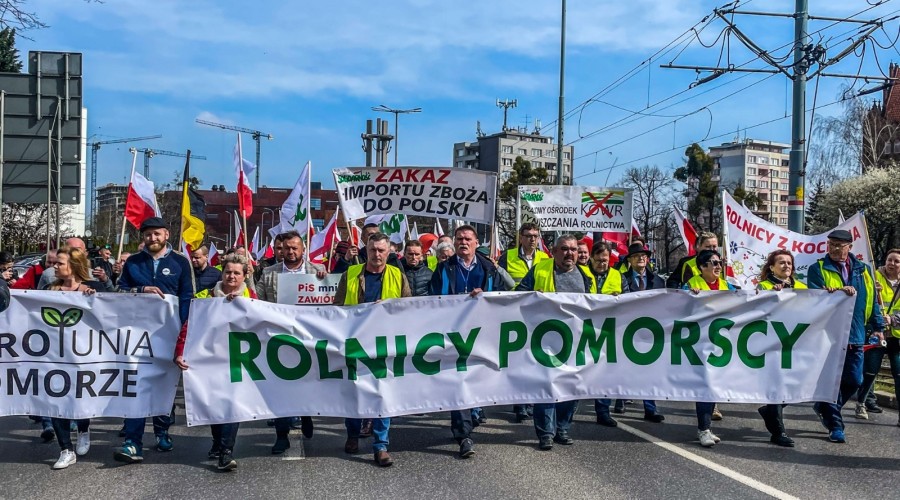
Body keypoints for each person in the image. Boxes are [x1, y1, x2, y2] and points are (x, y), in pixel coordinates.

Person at [113, 217, 194, 464]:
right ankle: (132, 442)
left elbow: (187, 296)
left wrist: (185, 332)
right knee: (135, 386)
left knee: (163, 385)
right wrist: (140, 290)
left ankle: (162, 431)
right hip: (135, 337)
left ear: (166, 235)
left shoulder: (180, 262)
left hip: (168, 335)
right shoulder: (134, 263)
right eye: (148, 235)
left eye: (157, 234)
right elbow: (118, 292)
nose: (152, 238)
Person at [174, 253, 257, 471]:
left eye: (236, 273)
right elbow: (188, 326)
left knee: (233, 405)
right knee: (215, 405)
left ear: (244, 276)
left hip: (238, 360)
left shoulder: (253, 299)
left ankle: (226, 451)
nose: (231, 276)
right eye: (228, 272)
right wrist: (180, 352)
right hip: (209, 360)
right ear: (222, 273)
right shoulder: (205, 296)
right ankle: (217, 442)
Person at [429, 224, 506, 458]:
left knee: (478, 378)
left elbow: (502, 297)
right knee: (458, 380)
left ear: (476, 243)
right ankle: (464, 434)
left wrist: (485, 296)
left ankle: (473, 411)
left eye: (468, 239)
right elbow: (431, 299)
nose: (463, 242)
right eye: (459, 238)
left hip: (481, 333)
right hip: (452, 335)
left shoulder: (488, 269)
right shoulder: (444, 269)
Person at [334, 233, 412, 467]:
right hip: (355, 342)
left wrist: (388, 307)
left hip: (384, 345)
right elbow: (336, 308)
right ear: (365, 251)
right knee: (353, 392)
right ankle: (352, 433)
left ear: (389, 252)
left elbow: (409, 307)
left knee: (382, 394)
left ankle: (381, 445)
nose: (377, 254)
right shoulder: (351, 274)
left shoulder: (398, 275)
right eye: (372, 250)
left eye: (381, 250)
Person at [516, 235, 595, 450]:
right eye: (564, 249)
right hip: (545, 340)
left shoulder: (587, 276)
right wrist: (533, 297)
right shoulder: (540, 270)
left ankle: (562, 428)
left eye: (573, 250)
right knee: (547, 386)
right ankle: (545, 433)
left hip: (575, 341)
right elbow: (518, 295)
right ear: (554, 251)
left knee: (571, 386)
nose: (570, 253)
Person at [807, 230, 885, 443]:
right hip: (828, 335)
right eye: (831, 244)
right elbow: (813, 298)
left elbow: (872, 300)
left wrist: (877, 326)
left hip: (855, 333)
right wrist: (835, 292)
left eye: (840, 245)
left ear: (850, 247)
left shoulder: (863, 270)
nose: (834, 248)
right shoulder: (818, 269)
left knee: (855, 380)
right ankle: (835, 425)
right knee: (832, 381)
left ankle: (825, 406)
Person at [255, 230, 326, 454]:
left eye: (295, 248)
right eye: (287, 248)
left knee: (307, 383)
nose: (291, 252)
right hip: (279, 339)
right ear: (281, 250)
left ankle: (306, 414)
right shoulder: (269, 273)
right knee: (279, 388)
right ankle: (281, 435)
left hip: (308, 339)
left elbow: (330, 305)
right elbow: (256, 302)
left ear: (303, 249)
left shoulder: (317, 272)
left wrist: (327, 281)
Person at [43, 245, 104, 469]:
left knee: (79, 397)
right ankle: (66, 449)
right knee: (56, 401)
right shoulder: (49, 290)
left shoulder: (91, 289)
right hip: (54, 356)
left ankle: (84, 428)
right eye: (54, 263)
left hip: (83, 357)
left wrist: (95, 297)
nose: (54, 266)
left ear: (74, 266)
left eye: (60, 263)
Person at [599, 243, 666, 422]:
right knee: (620, 367)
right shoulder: (622, 278)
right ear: (629, 260)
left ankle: (650, 409)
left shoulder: (658, 281)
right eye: (636, 256)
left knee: (648, 370)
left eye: (644, 255)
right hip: (625, 329)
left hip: (649, 331)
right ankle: (619, 399)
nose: (641, 258)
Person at [497, 223, 549, 421]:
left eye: (535, 236)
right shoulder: (508, 256)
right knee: (518, 358)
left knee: (534, 358)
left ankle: (530, 399)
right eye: (528, 236)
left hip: (537, 314)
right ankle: (519, 402)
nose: (532, 239)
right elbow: (499, 281)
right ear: (520, 237)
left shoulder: (545, 258)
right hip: (514, 312)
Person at [755, 249, 806, 447]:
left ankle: (769, 411)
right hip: (772, 343)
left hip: (795, 343)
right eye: (781, 262)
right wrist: (771, 296)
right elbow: (757, 310)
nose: (786, 266)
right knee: (776, 386)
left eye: (789, 263)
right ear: (772, 267)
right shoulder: (764, 286)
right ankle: (778, 431)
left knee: (798, 383)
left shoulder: (802, 287)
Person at [685, 249, 735, 447]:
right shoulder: (691, 284)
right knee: (706, 385)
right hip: (699, 343)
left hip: (721, 343)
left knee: (713, 386)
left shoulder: (727, 285)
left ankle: (706, 428)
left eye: (719, 262)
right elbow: (676, 307)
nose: (717, 266)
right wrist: (688, 296)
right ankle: (703, 429)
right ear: (701, 267)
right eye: (713, 263)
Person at [855, 248, 900, 426]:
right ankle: (861, 403)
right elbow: (865, 299)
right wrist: (873, 291)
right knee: (870, 372)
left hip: (896, 335)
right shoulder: (873, 276)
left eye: (897, 261)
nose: (892, 264)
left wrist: (894, 319)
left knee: (898, 375)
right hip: (877, 332)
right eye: (890, 260)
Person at [587, 241, 626, 427]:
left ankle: (603, 411)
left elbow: (628, 298)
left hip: (608, 329)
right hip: (584, 327)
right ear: (591, 258)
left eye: (606, 260)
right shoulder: (582, 273)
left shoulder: (617, 275)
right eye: (599, 260)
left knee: (605, 370)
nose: (603, 263)